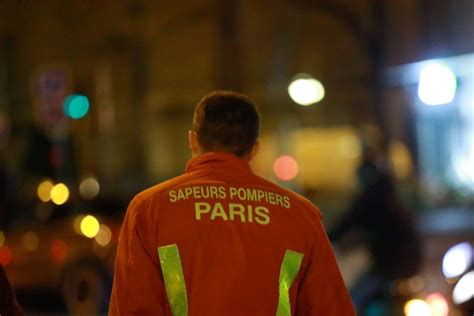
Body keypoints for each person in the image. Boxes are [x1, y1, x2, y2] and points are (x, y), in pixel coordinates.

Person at [109, 91, 354, 315]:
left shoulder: (150, 209)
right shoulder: (301, 214)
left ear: (193, 140)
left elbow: (133, 307)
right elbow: (331, 309)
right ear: (254, 149)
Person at [329, 151, 422, 313]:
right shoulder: (389, 196)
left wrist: (323, 239)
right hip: (408, 266)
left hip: (388, 267)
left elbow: (346, 224)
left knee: (350, 302)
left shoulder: (370, 199)